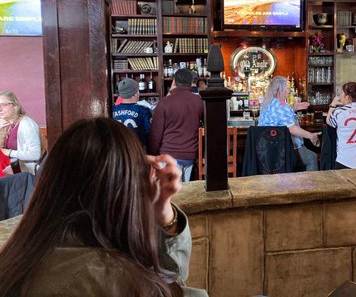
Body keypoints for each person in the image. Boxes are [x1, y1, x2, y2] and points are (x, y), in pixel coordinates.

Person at [0, 117, 207, 296]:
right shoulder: (107, 276)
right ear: (124, 189)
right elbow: (174, 285)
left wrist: (163, 210)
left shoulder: (25, 254)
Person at [151, 69, 204, 182]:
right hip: (191, 155)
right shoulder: (198, 101)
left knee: (172, 195)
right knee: (186, 193)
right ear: (191, 83)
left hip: (169, 155)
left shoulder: (165, 102)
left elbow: (156, 134)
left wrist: (154, 155)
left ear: (174, 82)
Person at [258, 76, 320, 171]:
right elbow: (291, 129)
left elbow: (279, 118)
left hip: (267, 152)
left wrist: (293, 108)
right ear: (279, 91)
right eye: (287, 89)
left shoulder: (267, 104)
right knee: (312, 157)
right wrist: (311, 136)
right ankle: (309, 186)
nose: (289, 91)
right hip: (283, 151)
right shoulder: (282, 106)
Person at [0, 91, 41, 175]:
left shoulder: (27, 123)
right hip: (12, 170)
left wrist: (9, 152)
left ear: (15, 106)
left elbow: (35, 154)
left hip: (25, 175)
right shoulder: (9, 124)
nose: (0, 108)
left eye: (4, 105)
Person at [113, 77, 152, 147]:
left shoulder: (112, 109)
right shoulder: (143, 110)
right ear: (135, 94)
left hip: (118, 150)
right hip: (137, 150)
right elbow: (149, 133)